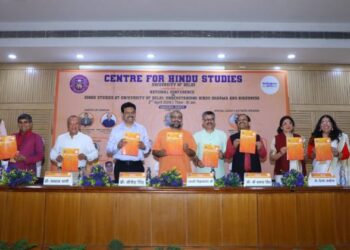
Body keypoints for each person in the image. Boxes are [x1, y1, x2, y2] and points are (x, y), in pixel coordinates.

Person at [106, 102, 150, 183]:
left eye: (132, 112)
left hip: (137, 166)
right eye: (127, 113)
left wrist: (144, 147)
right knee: (120, 194)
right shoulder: (116, 130)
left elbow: (147, 149)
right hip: (120, 166)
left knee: (138, 194)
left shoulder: (142, 129)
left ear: (135, 113)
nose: (130, 115)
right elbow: (108, 150)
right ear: (122, 114)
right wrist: (118, 146)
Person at [152, 110, 197, 180]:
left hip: (184, 175)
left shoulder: (188, 134)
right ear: (170, 119)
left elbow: (193, 153)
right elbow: (154, 152)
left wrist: (187, 150)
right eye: (174, 117)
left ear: (182, 119)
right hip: (165, 175)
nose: (176, 119)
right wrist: (159, 153)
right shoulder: (161, 133)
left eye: (179, 117)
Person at [307, 114, 349, 184]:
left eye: (328, 121)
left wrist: (337, 154)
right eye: (323, 122)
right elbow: (309, 156)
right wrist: (314, 153)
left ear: (332, 125)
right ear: (320, 126)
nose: (325, 123)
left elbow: (346, 155)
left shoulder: (340, 138)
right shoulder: (313, 138)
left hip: (334, 172)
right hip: (318, 171)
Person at [225, 114, 267, 181]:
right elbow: (227, 156)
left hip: (255, 173)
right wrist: (234, 147)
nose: (241, 121)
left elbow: (264, 156)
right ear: (237, 124)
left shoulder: (257, 137)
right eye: (239, 120)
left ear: (248, 123)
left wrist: (260, 148)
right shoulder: (232, 138)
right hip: (237, 174)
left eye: (244, 119)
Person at [193, 111, 227, 178]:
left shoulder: (222, 134)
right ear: (203, 121)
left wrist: (222, 155)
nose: (209, 121)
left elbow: (227, 154)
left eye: (212, 119)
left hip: (219, 174)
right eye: (207, 119)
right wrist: (197, 161)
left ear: (214, 121)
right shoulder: (196, 136)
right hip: (202, 174)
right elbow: (193, 155)